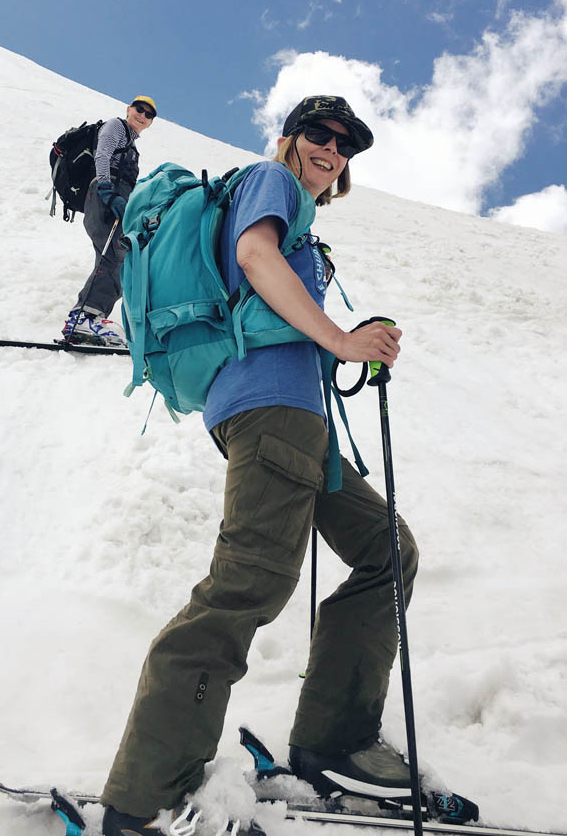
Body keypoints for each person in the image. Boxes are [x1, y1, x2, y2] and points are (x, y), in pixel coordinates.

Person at [99, 95, 419, 835]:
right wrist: (341, 340)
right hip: (270, 408)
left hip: (298, 421)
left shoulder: (300, 213)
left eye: (345, 145)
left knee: (388, 550)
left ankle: (331, 741)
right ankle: (149, 793)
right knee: (248, 586)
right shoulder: (269, 182)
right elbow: (252, 255)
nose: (331, 150)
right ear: (289, 138)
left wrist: (347, 339)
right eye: (319, 133)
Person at [62, 96, 157, 347]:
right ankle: (85, 316)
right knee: (116, 254)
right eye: (139, 109)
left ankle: (89, 320)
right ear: (129, 109)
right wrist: (106, 189)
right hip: (104, 193)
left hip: (117, 197)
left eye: (149, 114)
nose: (143, 115)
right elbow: (102, 154)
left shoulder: (132, 147)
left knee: (116, 256)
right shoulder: (116, 126)